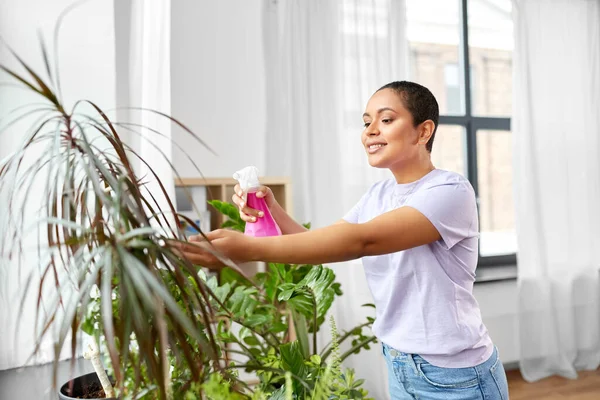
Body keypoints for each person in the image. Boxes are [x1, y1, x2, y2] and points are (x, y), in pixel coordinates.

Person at [177, 81, 510, 399]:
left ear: (423, 131)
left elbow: (360, 241)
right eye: (366, 122)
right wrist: (271, 205)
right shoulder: (378, 194)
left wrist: (246, 248)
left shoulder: (449, 192)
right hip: (399, 363)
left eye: (386, 119)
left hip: (454, 374)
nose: (370, 131)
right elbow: (318, 243)